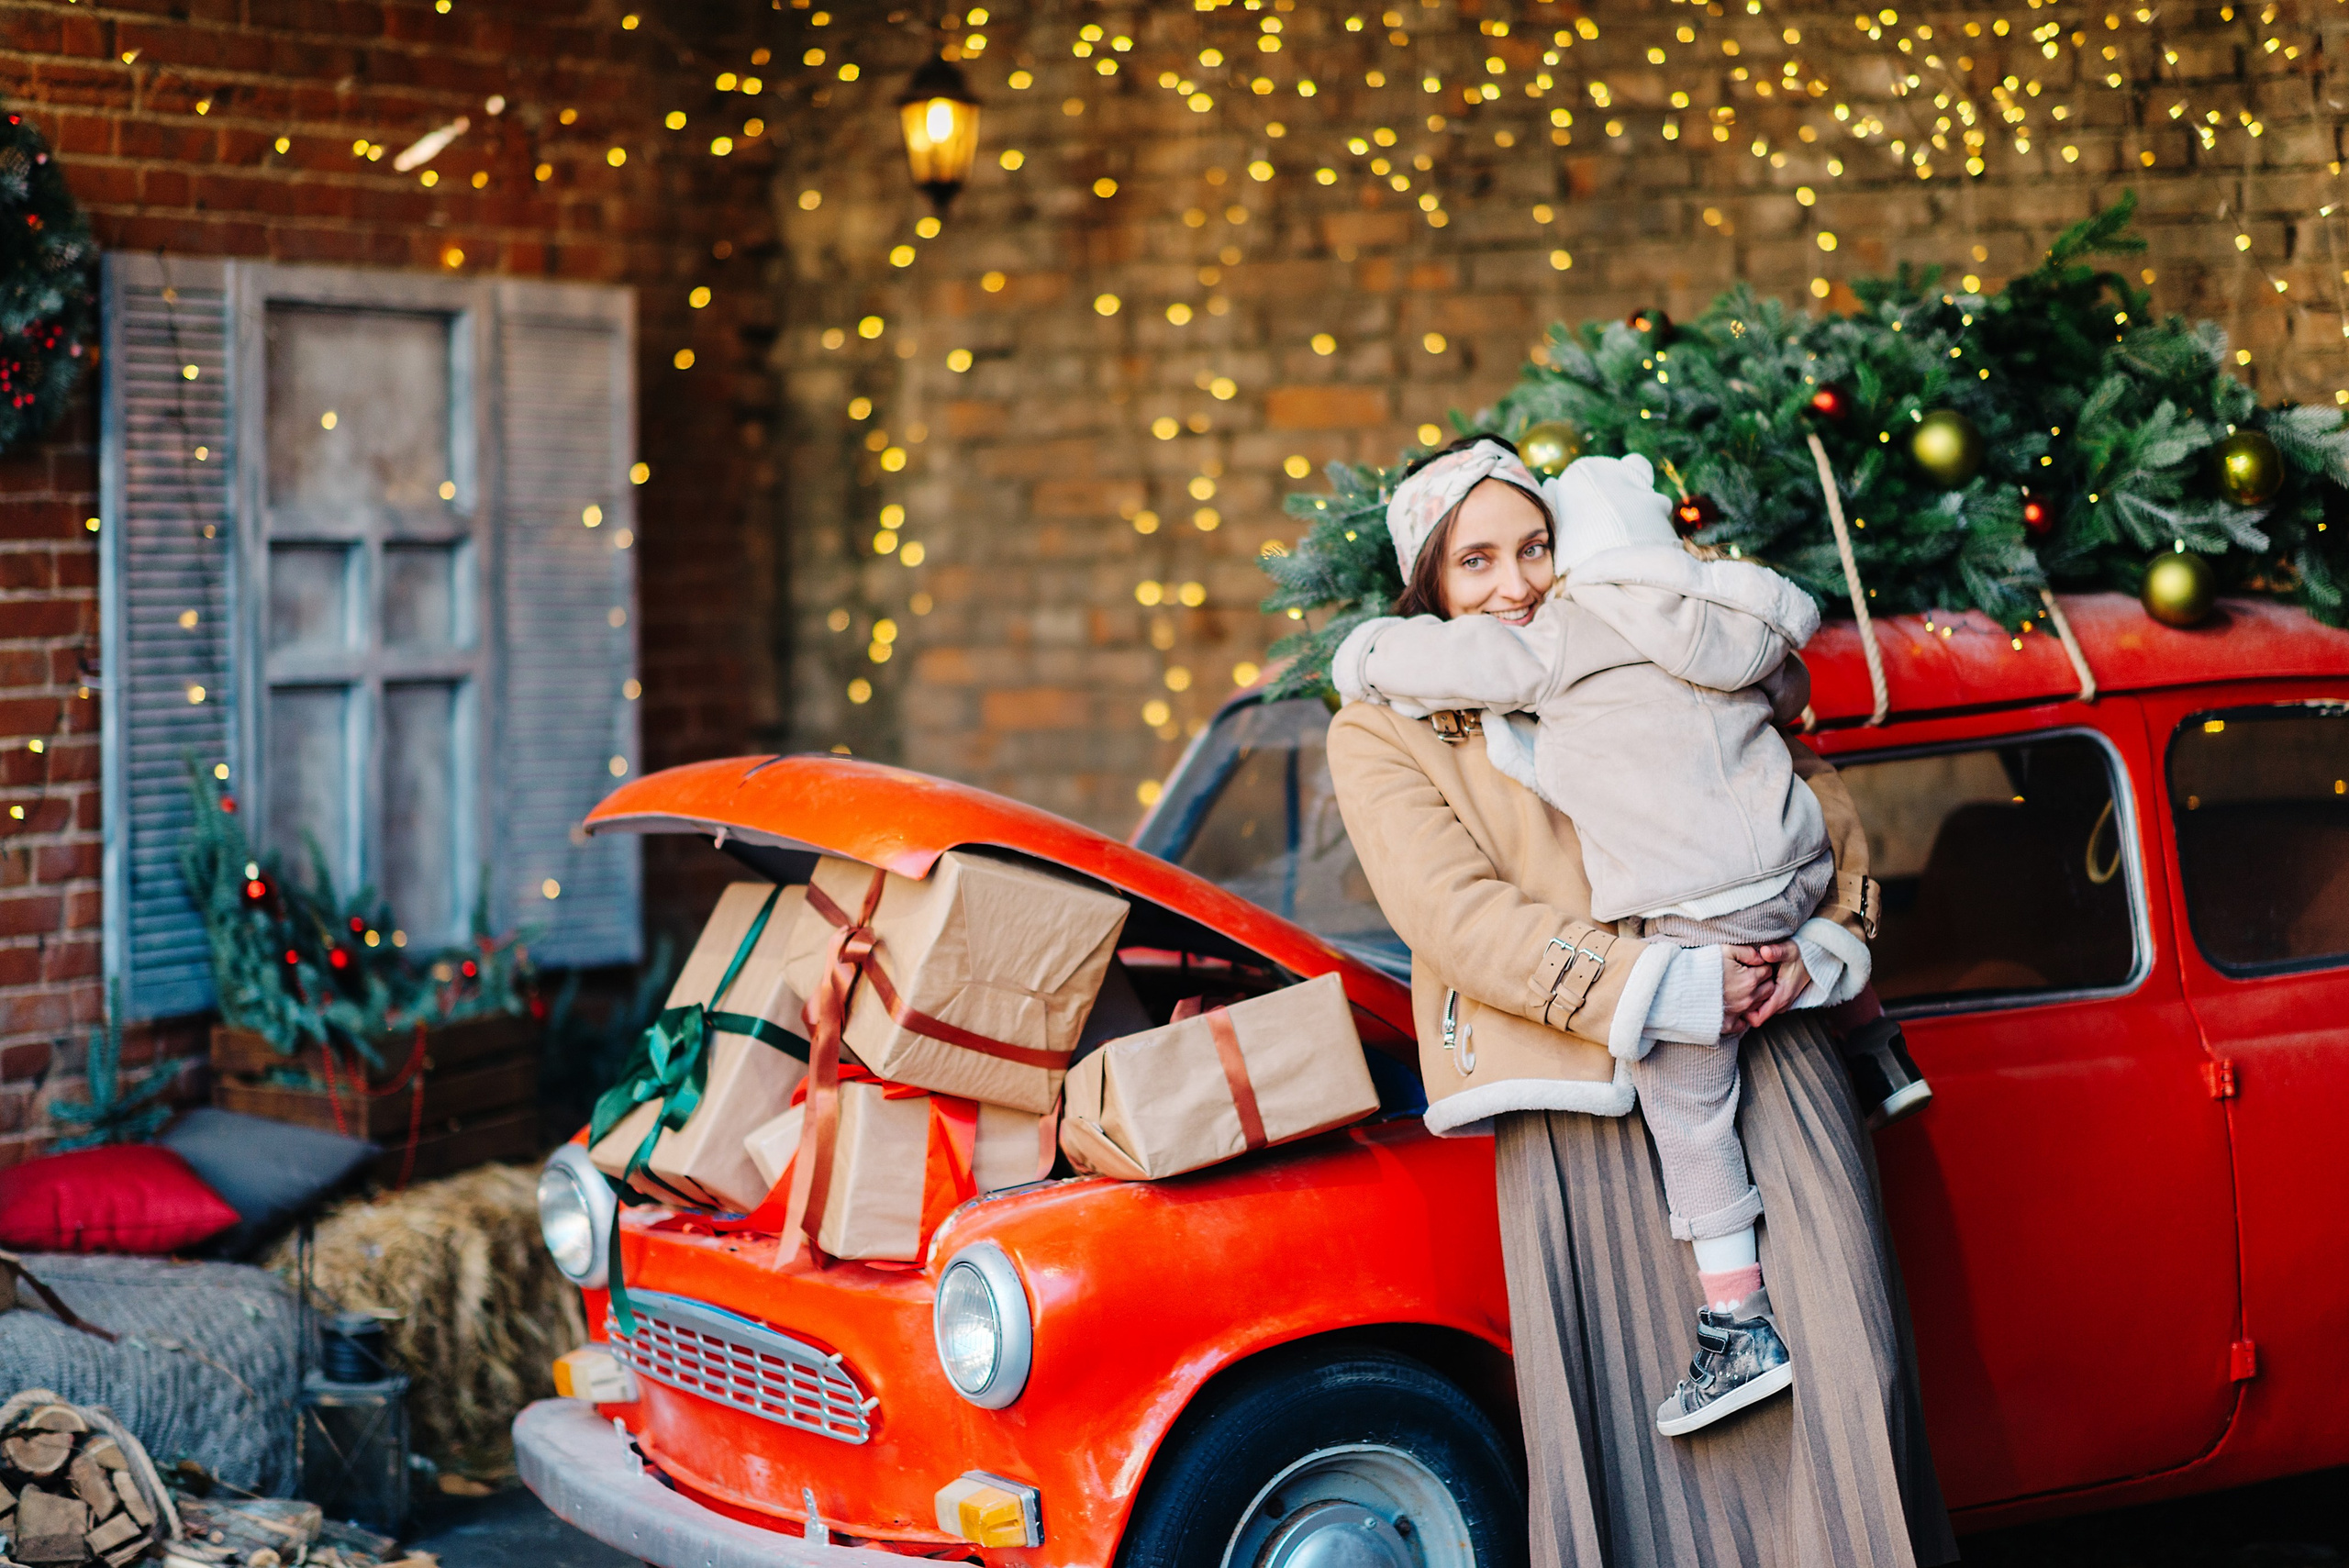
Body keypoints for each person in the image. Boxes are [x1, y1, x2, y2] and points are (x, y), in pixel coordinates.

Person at [1324, 434, 1955, 1567]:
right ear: (1427, 585)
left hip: (1776, 1052)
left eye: (1532, 546)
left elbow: (1808, 792)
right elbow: (1456, 915)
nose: (1514, 582)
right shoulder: (1385, 726)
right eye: (1475, 563)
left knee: (1845, 1371)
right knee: (1641, 1438)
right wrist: (1662, 985)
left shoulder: (1644, 636)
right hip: (1582, 1100)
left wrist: (1818, 945)